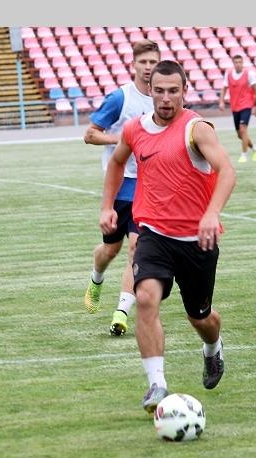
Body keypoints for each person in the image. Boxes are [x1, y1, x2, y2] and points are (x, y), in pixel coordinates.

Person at [99, 60, 236, 412]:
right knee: (146, 298)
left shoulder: (196, 129)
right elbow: (116, 162)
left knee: (200, 317)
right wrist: (107, 206)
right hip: (154, 234)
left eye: (173, 91)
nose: (165, 98)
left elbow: (226, 171)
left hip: (197, 241)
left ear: (184, 91)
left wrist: (212, 213)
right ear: (150, 91)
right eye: (159, 91)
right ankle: (157, 385)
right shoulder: (135, 129)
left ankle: (213, 348)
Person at [83, 39, 161, 336]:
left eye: (153, 62)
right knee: (110, 249)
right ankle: (96, 278)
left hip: (149, 186)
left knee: (136, 248)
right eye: (143, 62)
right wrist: (123, 140)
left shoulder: (164, 99)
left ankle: (121, 312)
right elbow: (90, 134)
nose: (148, 67)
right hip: (120, 184)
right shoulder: (120, 98)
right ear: (134, 65)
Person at [218, 54, 256, 164]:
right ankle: (255, 148)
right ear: (233, 63)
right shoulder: (228, 74)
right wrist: (221, 101)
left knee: (243, 130)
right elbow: (224, 88)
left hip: (247, 105)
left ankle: (244, 155)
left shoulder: (249, 74)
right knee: (240, 134)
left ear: (242, 63)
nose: (238, 64)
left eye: (240, 62)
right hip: (235, 107)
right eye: (236, 62)